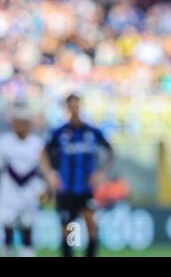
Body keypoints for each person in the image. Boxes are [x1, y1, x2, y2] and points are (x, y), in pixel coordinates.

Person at [40, 93, 114, 257]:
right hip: (66, 189)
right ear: (67, 108)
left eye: (77, 105)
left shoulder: (92, 131)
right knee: (69, 231)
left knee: (91, 225)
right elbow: (43, 153)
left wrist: (101, 172)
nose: (74, 108)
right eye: (71, 105)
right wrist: (50, 174)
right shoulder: (59, 133)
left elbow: (110, 151)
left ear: (81, 106)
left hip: (86, 188)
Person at [0, 101, 47, 257]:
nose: (18, 125)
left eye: (22, 122)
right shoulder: (4, 142)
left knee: (27, 231)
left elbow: (43, 169)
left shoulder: (37, 144)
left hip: (29, 194)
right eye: (16, 122)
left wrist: (44, 188)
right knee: (8, 231)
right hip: (8, 194)